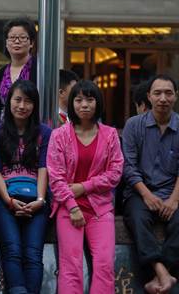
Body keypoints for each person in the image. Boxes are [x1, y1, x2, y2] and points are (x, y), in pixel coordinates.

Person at [122, 74, 179, 294]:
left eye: (168, 93)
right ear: (149, 96)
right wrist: (146, 195)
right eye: (157, 93)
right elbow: (128, 167)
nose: (163, 98)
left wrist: (174, 200)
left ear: (176, 96)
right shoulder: (133, 125)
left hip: (174, 191)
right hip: (140, 191)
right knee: (137, 219)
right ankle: (162, 272)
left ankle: (161, 275)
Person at [47, 79, 124, 294]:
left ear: (98, 103)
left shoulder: (110, 135)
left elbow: (115, 173)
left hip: (100, 208)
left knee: (104, 263)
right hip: (68, 208)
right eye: (79, 100)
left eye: (90, 100)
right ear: (71, 103)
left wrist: (84, 187)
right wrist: (72, 207)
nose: (84, 105)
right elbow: (56, 177)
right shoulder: (59, 135)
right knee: (71, 266)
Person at [0, 79, 51, 294]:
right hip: (5, 198)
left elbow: (44, 168)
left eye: (28, 101)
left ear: (35, 105)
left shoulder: (45, 133)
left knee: (33, 253)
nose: (22, 106)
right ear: (9, 102)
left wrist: (40, 200)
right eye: (17, 100)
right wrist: (8, 201)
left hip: (37, 198)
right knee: (12, 250)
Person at [0, 19, 37, 125]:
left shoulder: (39, 69)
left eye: (22, 38)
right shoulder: (1, 72)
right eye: (12, 38)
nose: (17, 41)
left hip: (32, 126)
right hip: (4, 127)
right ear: (6, 43)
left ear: (31, 43)